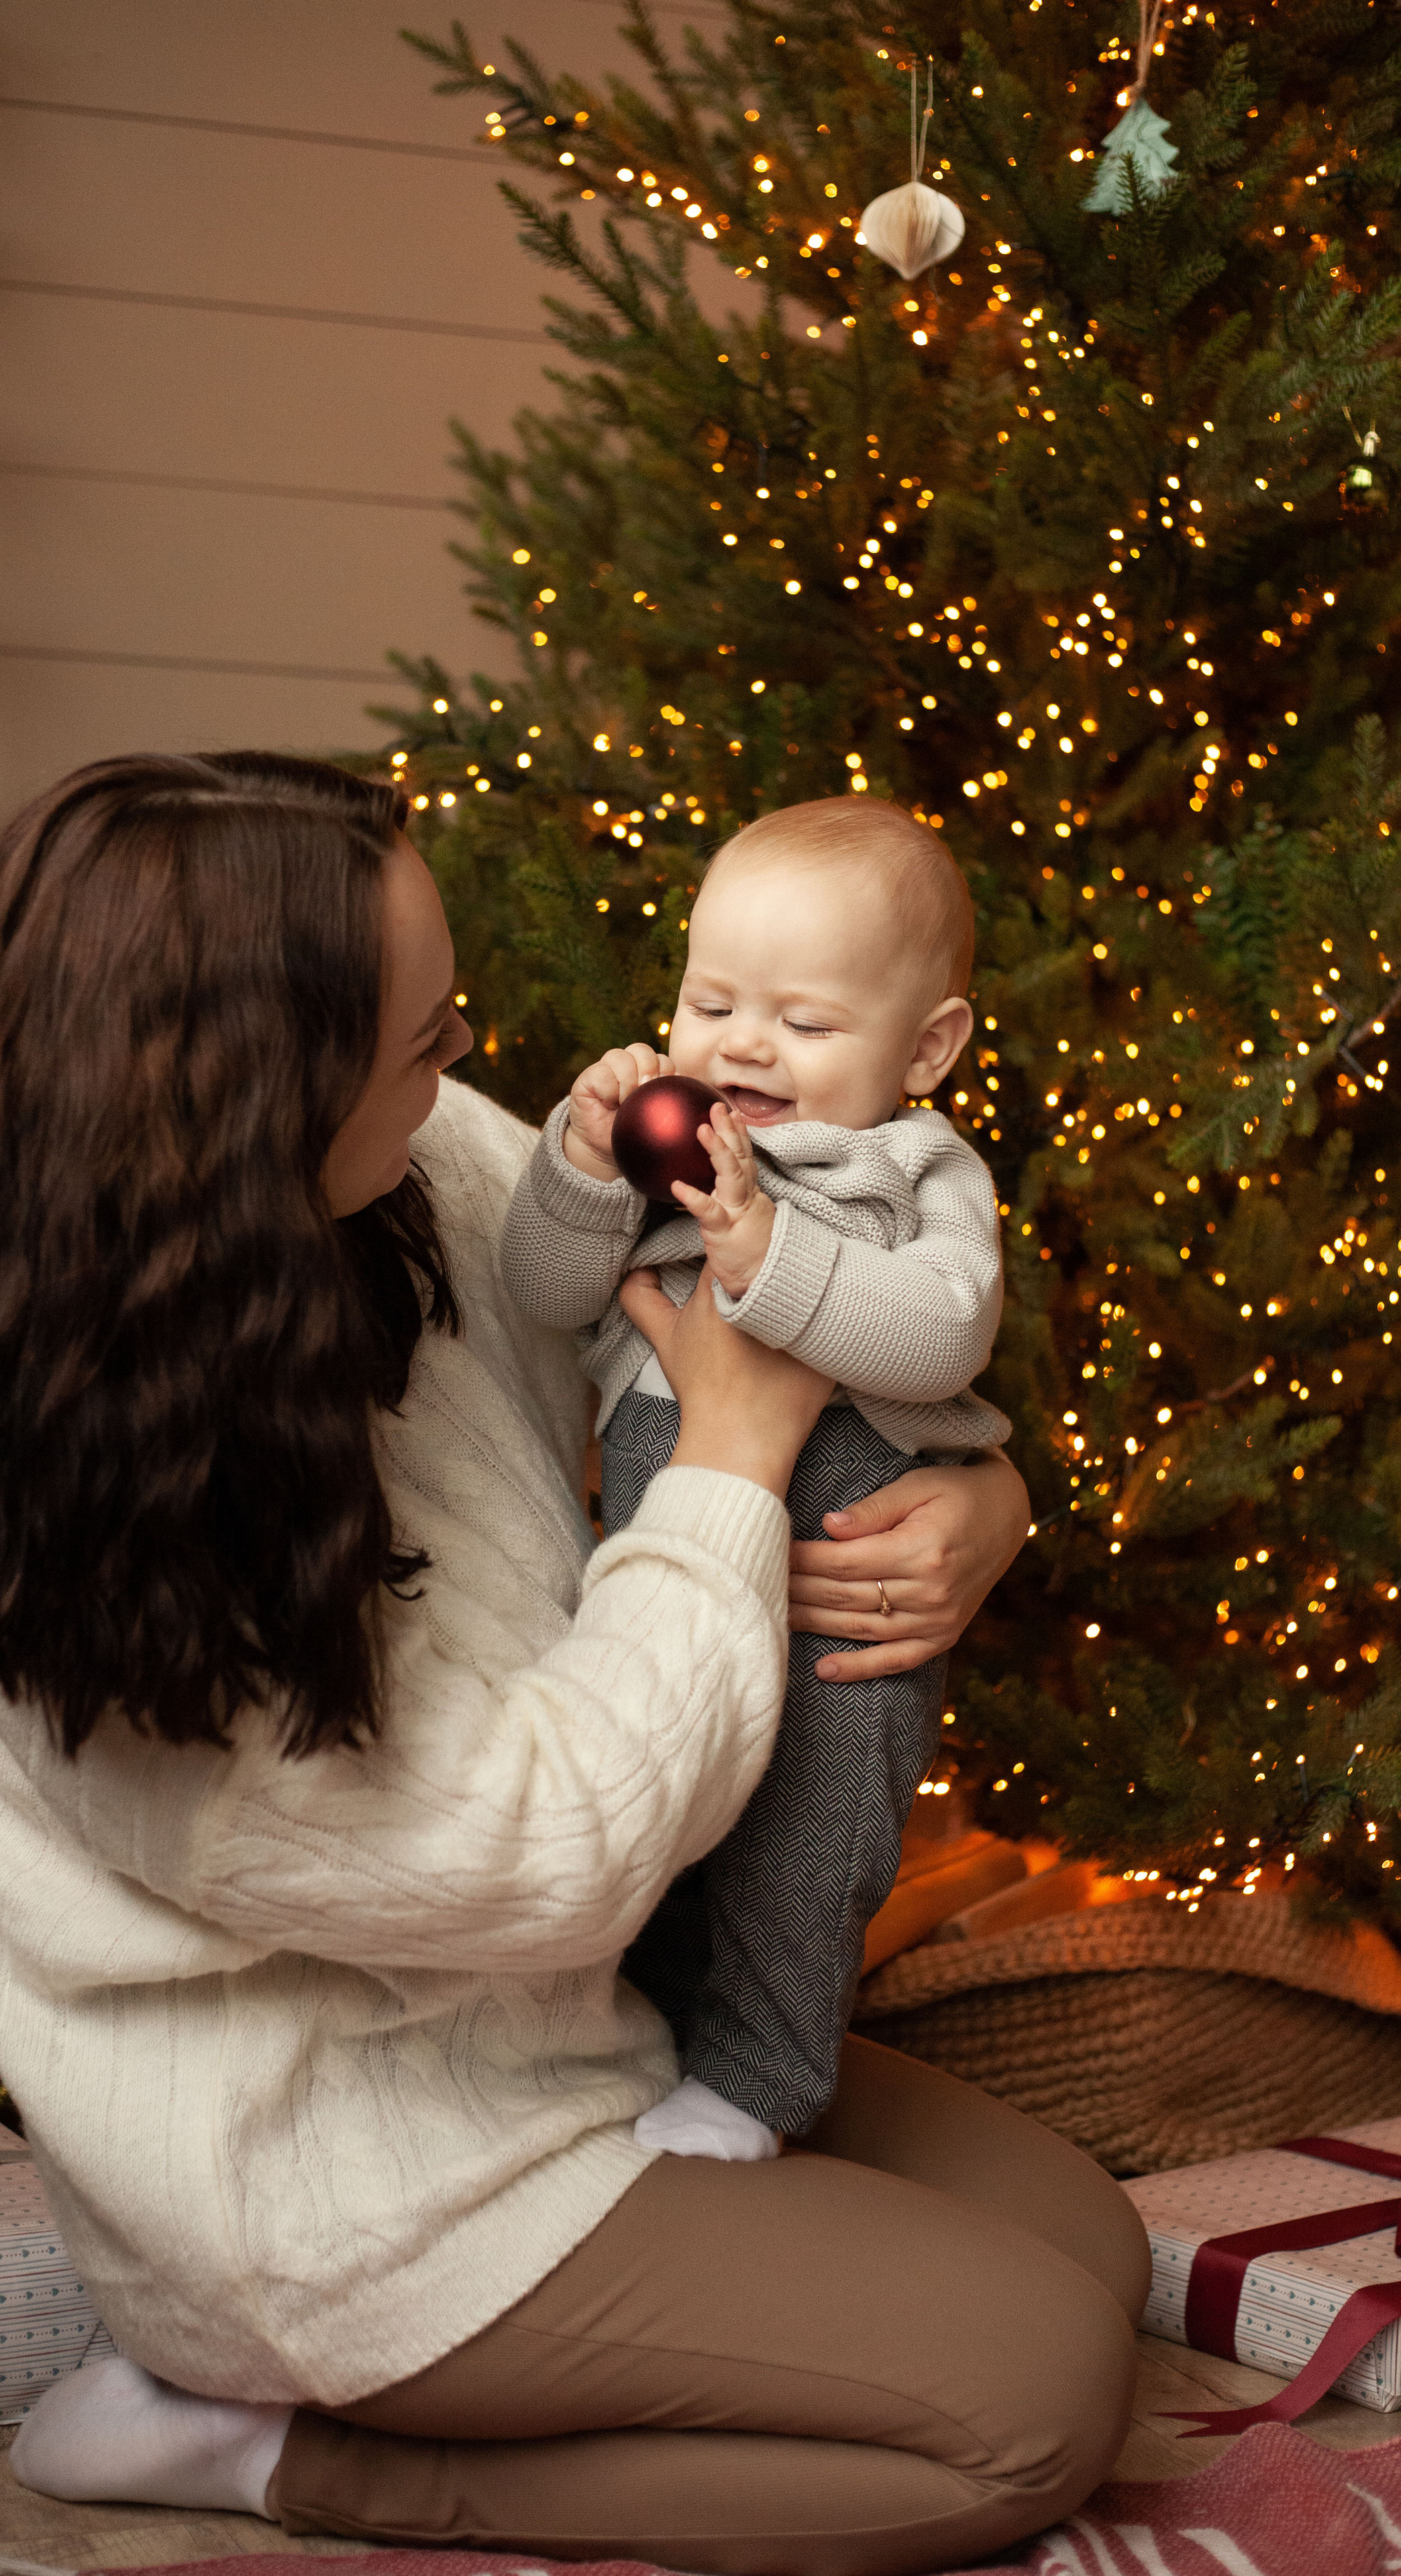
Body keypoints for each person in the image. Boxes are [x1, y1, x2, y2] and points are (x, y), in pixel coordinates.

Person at [0, 752, 1147, 2576]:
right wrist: (741, 1462)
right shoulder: (108, 1541)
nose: (470, 1068)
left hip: (578, 2021)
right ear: (256, 1103)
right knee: (1032, 2398)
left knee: (1086, 2249)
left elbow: (716, 1327)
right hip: (359, 2179)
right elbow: (554, 1848)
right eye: (422, 1041)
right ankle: (263, 2444)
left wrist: (983, 1494)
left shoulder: (409, 1167)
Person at [500, 798, 1005, 2165]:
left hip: (842, 1613)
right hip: (662, 1593)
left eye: (802, 1018)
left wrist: (763, 1250)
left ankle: (761, 2081)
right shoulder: (661, 1162)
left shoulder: (912, 1167)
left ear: (926, 1048)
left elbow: (941, 1328)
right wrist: (579, 1163)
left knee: (799, 1852)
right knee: (654, 1844)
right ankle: (639, 2044)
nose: (739, 1043)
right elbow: (541, 1292)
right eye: (708, 1000)